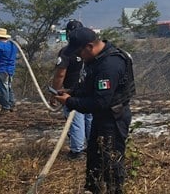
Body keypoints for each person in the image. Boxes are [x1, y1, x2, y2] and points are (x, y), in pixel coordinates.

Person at [54, 27, 135, 194]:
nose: (79, 57)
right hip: (102, 118)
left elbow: (100, 102)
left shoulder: (109, 65)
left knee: (111, 161)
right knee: (95, 159)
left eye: (79, 52)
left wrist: (70, 101)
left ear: (89, 47)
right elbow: (89, 86)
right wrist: (72, 92)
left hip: (113, 119)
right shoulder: (97, 60)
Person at [51, 20, 92, 160]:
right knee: (89, 118)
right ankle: (91, 146)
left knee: (75, 119)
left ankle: (77, 151)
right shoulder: (91, 50)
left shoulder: (66, 52)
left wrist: (55, 93)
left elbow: (60, 74)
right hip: (89, 90)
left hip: (71, 91)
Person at [0, 27, 17, 113]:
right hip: (10, 70)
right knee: (8, 87)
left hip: (2, 70)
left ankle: (5, 107)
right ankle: (12, 105)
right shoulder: (12, 45)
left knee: (3, 89)